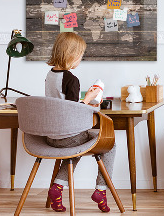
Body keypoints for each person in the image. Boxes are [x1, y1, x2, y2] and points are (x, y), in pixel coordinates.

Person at [45, 32, 115, 213]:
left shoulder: (50, 75)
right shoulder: (71, 79)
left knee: (75, 147)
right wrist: (90, 98)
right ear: (72, 55)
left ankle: (57, 188)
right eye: (80, 56)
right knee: (110, 144)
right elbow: (73, 111)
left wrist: (84, 99)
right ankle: (101, 190)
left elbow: (62, 104)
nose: (80, 60)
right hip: (68, 136)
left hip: (51, 136)